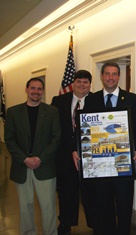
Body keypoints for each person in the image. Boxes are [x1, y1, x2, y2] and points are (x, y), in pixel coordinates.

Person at [72, 62, 136, 235]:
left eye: (114, 74)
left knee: (125, 203)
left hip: (123, 162)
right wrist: (78, 150)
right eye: (107, 74)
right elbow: (84, 129)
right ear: (102, 76)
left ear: (119, 76)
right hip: (100, 163)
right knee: (104, 204)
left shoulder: (132, 99)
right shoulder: (91, 99)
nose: (111, 77)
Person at [5, 78, 61, 235]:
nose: (36, 91)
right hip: (21, 167)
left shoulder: (52, 112)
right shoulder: (13, 112)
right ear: (26, 89)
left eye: (39, 89)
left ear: (43, 91)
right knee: (25, 207)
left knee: (48, 206)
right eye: (33, 88)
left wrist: (40, 158)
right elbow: (10, 140)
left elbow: (56, 138)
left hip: (45, 166)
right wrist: (25, 159)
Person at [51, 70, 94, 234]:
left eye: (85, 82)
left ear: (90, 85)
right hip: (65, 155)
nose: (82, 85)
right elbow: (55, 129)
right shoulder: (59, 100)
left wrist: (82, 149)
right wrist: (71, 150)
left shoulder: (96, 100)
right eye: (79, 81)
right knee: (66, 192)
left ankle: (94, 222)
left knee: (90, 191)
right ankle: (65, 223)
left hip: (89, 155)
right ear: (73, 83)